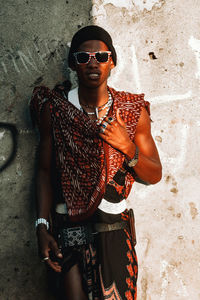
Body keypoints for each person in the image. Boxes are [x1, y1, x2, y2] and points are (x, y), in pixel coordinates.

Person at [30, 25, 162, 300]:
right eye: (83, 58)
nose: (93, 63)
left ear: (111, 61)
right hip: (69, 229)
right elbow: (43, 171)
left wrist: (126, 146)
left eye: (101, 57)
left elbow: (154, 173)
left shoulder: (130, 111)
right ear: (73, 64)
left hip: (114, 230)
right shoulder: (56, 110)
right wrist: (41, 226)